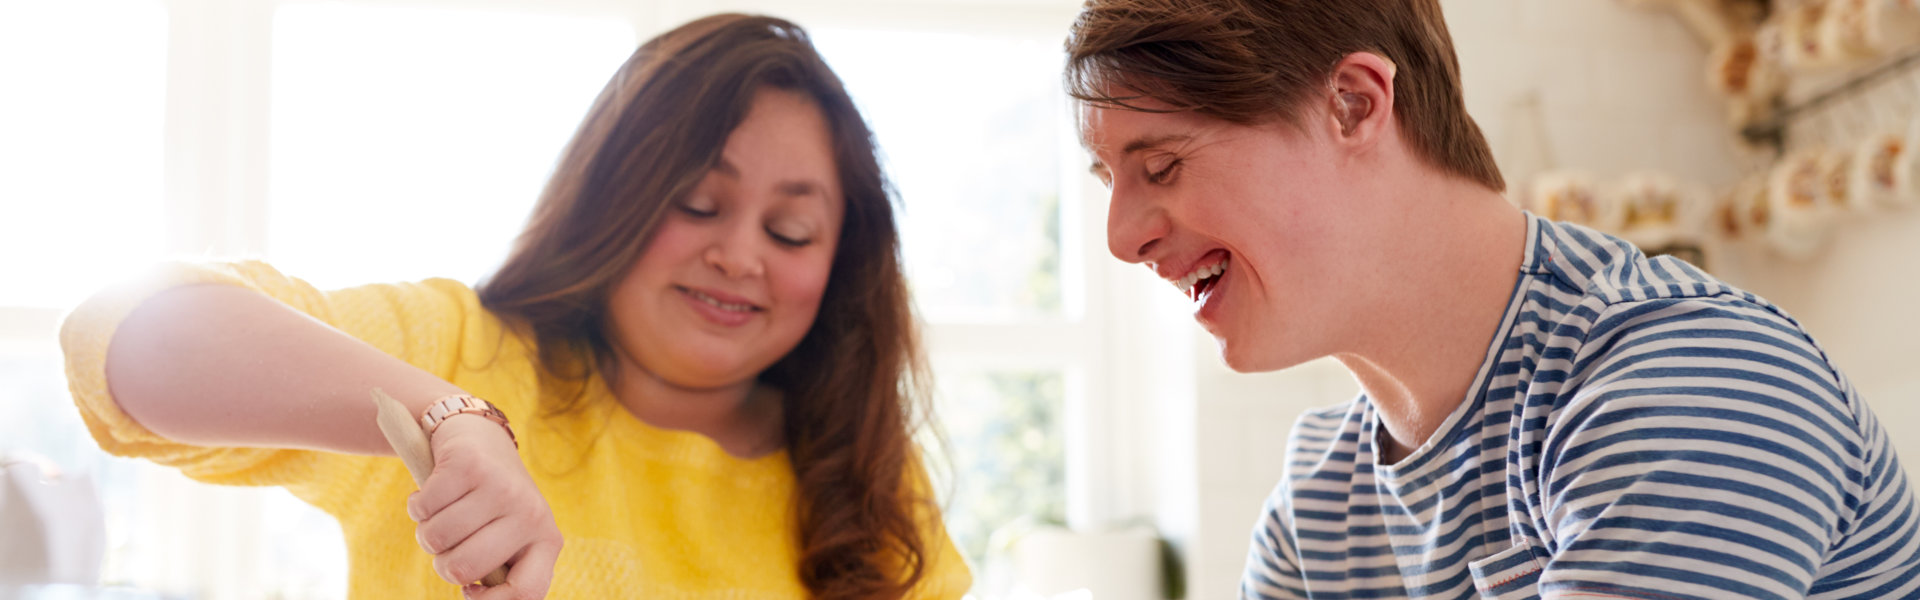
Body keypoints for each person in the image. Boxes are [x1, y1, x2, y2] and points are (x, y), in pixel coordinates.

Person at [60, 13, 968, 600]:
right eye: (697, 202)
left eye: (794, 231)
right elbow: (127, 338)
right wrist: (449, 420)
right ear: (615, 196)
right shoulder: (460, 352)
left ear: (841, 262)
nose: (739, 256)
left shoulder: (862, 474)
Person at [1064, 1, 1920, 598]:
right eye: (1109, 180)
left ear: (1353, 105)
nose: (1120, 236)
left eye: (1162, 166)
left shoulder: (1693, 383)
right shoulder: (1324, 500)